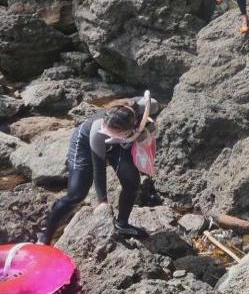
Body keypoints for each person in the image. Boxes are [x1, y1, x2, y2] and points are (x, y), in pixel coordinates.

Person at [37, 97, 159, 244]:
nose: (109, 134)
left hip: (120, 142)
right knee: (76, 195)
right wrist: (103, 201)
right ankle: (45, 237)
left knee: (132, 182)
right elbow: (99, 168)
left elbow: (154, 111)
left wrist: (145, 129)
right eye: (108, 132)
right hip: (85, 143)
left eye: (113, 133)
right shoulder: (98, 130)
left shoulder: (146, 107)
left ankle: (122, 224)